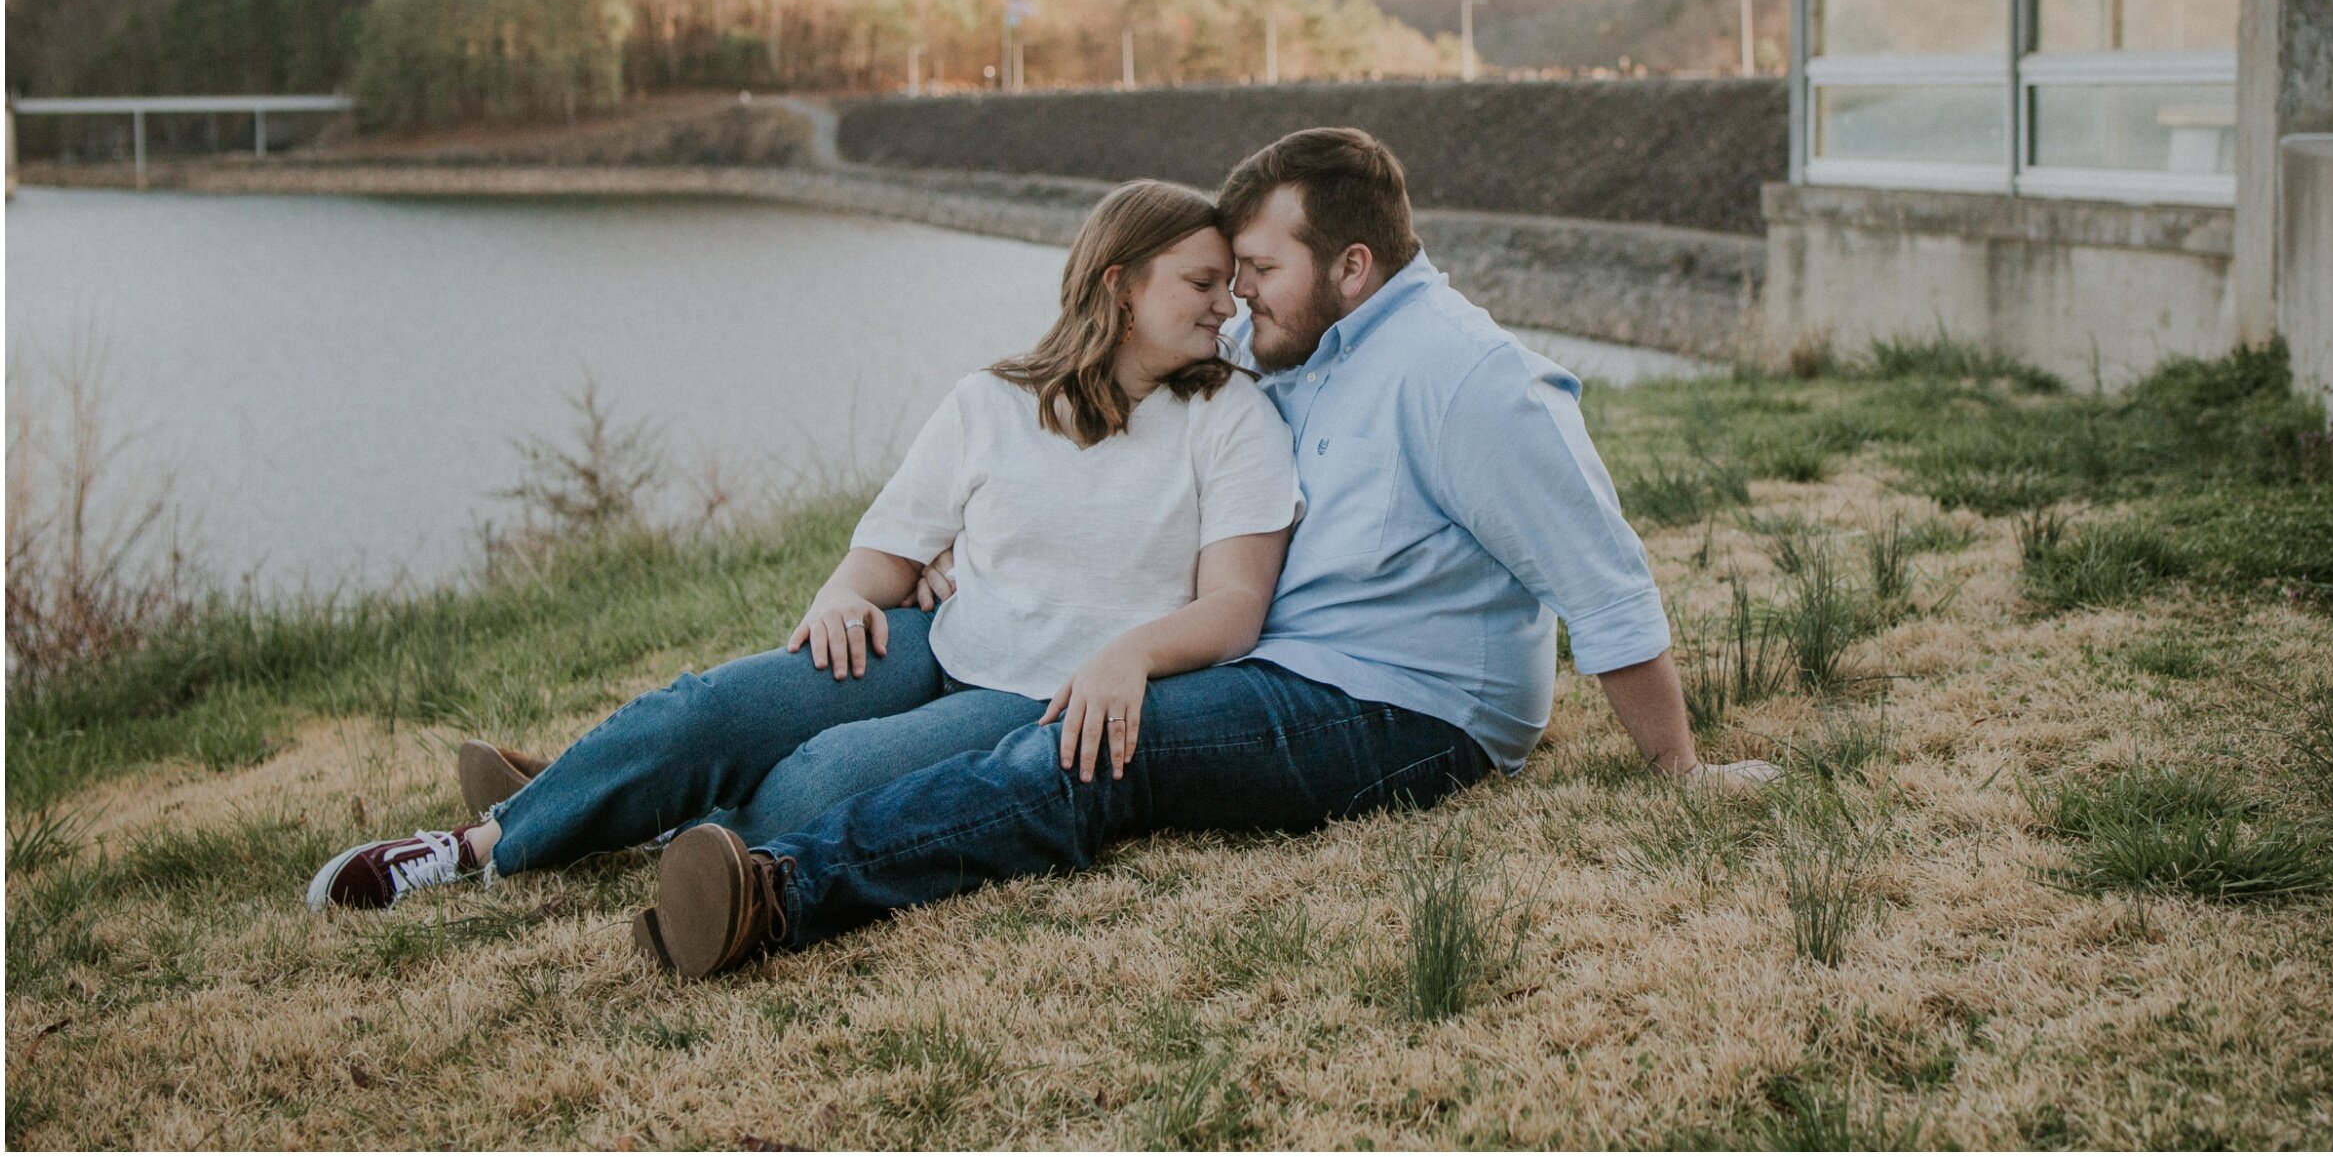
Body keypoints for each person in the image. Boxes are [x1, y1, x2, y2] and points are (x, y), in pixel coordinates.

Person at [635, 126, 1778, 978]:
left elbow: (1603, 579)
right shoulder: (1300, 345)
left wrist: (1676, 772)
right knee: (997, 710)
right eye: (1225, 279)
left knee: (1095, 748)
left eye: (1257, 274)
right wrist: (971, 548)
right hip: (1274, 663)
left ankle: (784, 894)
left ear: (1353, 267)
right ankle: (637, 803)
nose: (1234, 303)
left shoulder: (1469, 380)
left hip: (1402, 707)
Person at [305, 179, 1303, 940]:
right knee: (715, 710)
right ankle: (473, 848)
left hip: (1039, 697)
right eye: (1201, 282)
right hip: (934, 641)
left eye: (1227, 284)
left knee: (819, 780)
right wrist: (840, 597)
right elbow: (885, 547)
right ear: (1117, 283)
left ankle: (613, 802)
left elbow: (1232, 606)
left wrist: (1126, 655)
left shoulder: (1229, 418)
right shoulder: (991, 401)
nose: (1224, 305)